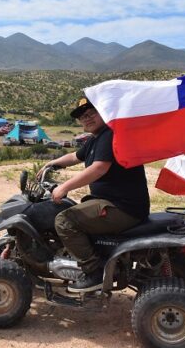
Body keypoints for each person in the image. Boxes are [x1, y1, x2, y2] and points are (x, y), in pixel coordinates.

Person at [38, 97, 150, 292]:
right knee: (75, 210)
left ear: (103, 113)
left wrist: (64, 187)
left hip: (122, 207)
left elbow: (99, 168)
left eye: (91, 113)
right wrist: (52, 163)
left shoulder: (110, 135)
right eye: (82, 116)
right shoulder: (96, 139)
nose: (86, 118)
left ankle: (93, 271)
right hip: (117, 203)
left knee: (65, 220)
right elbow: (74, 157)